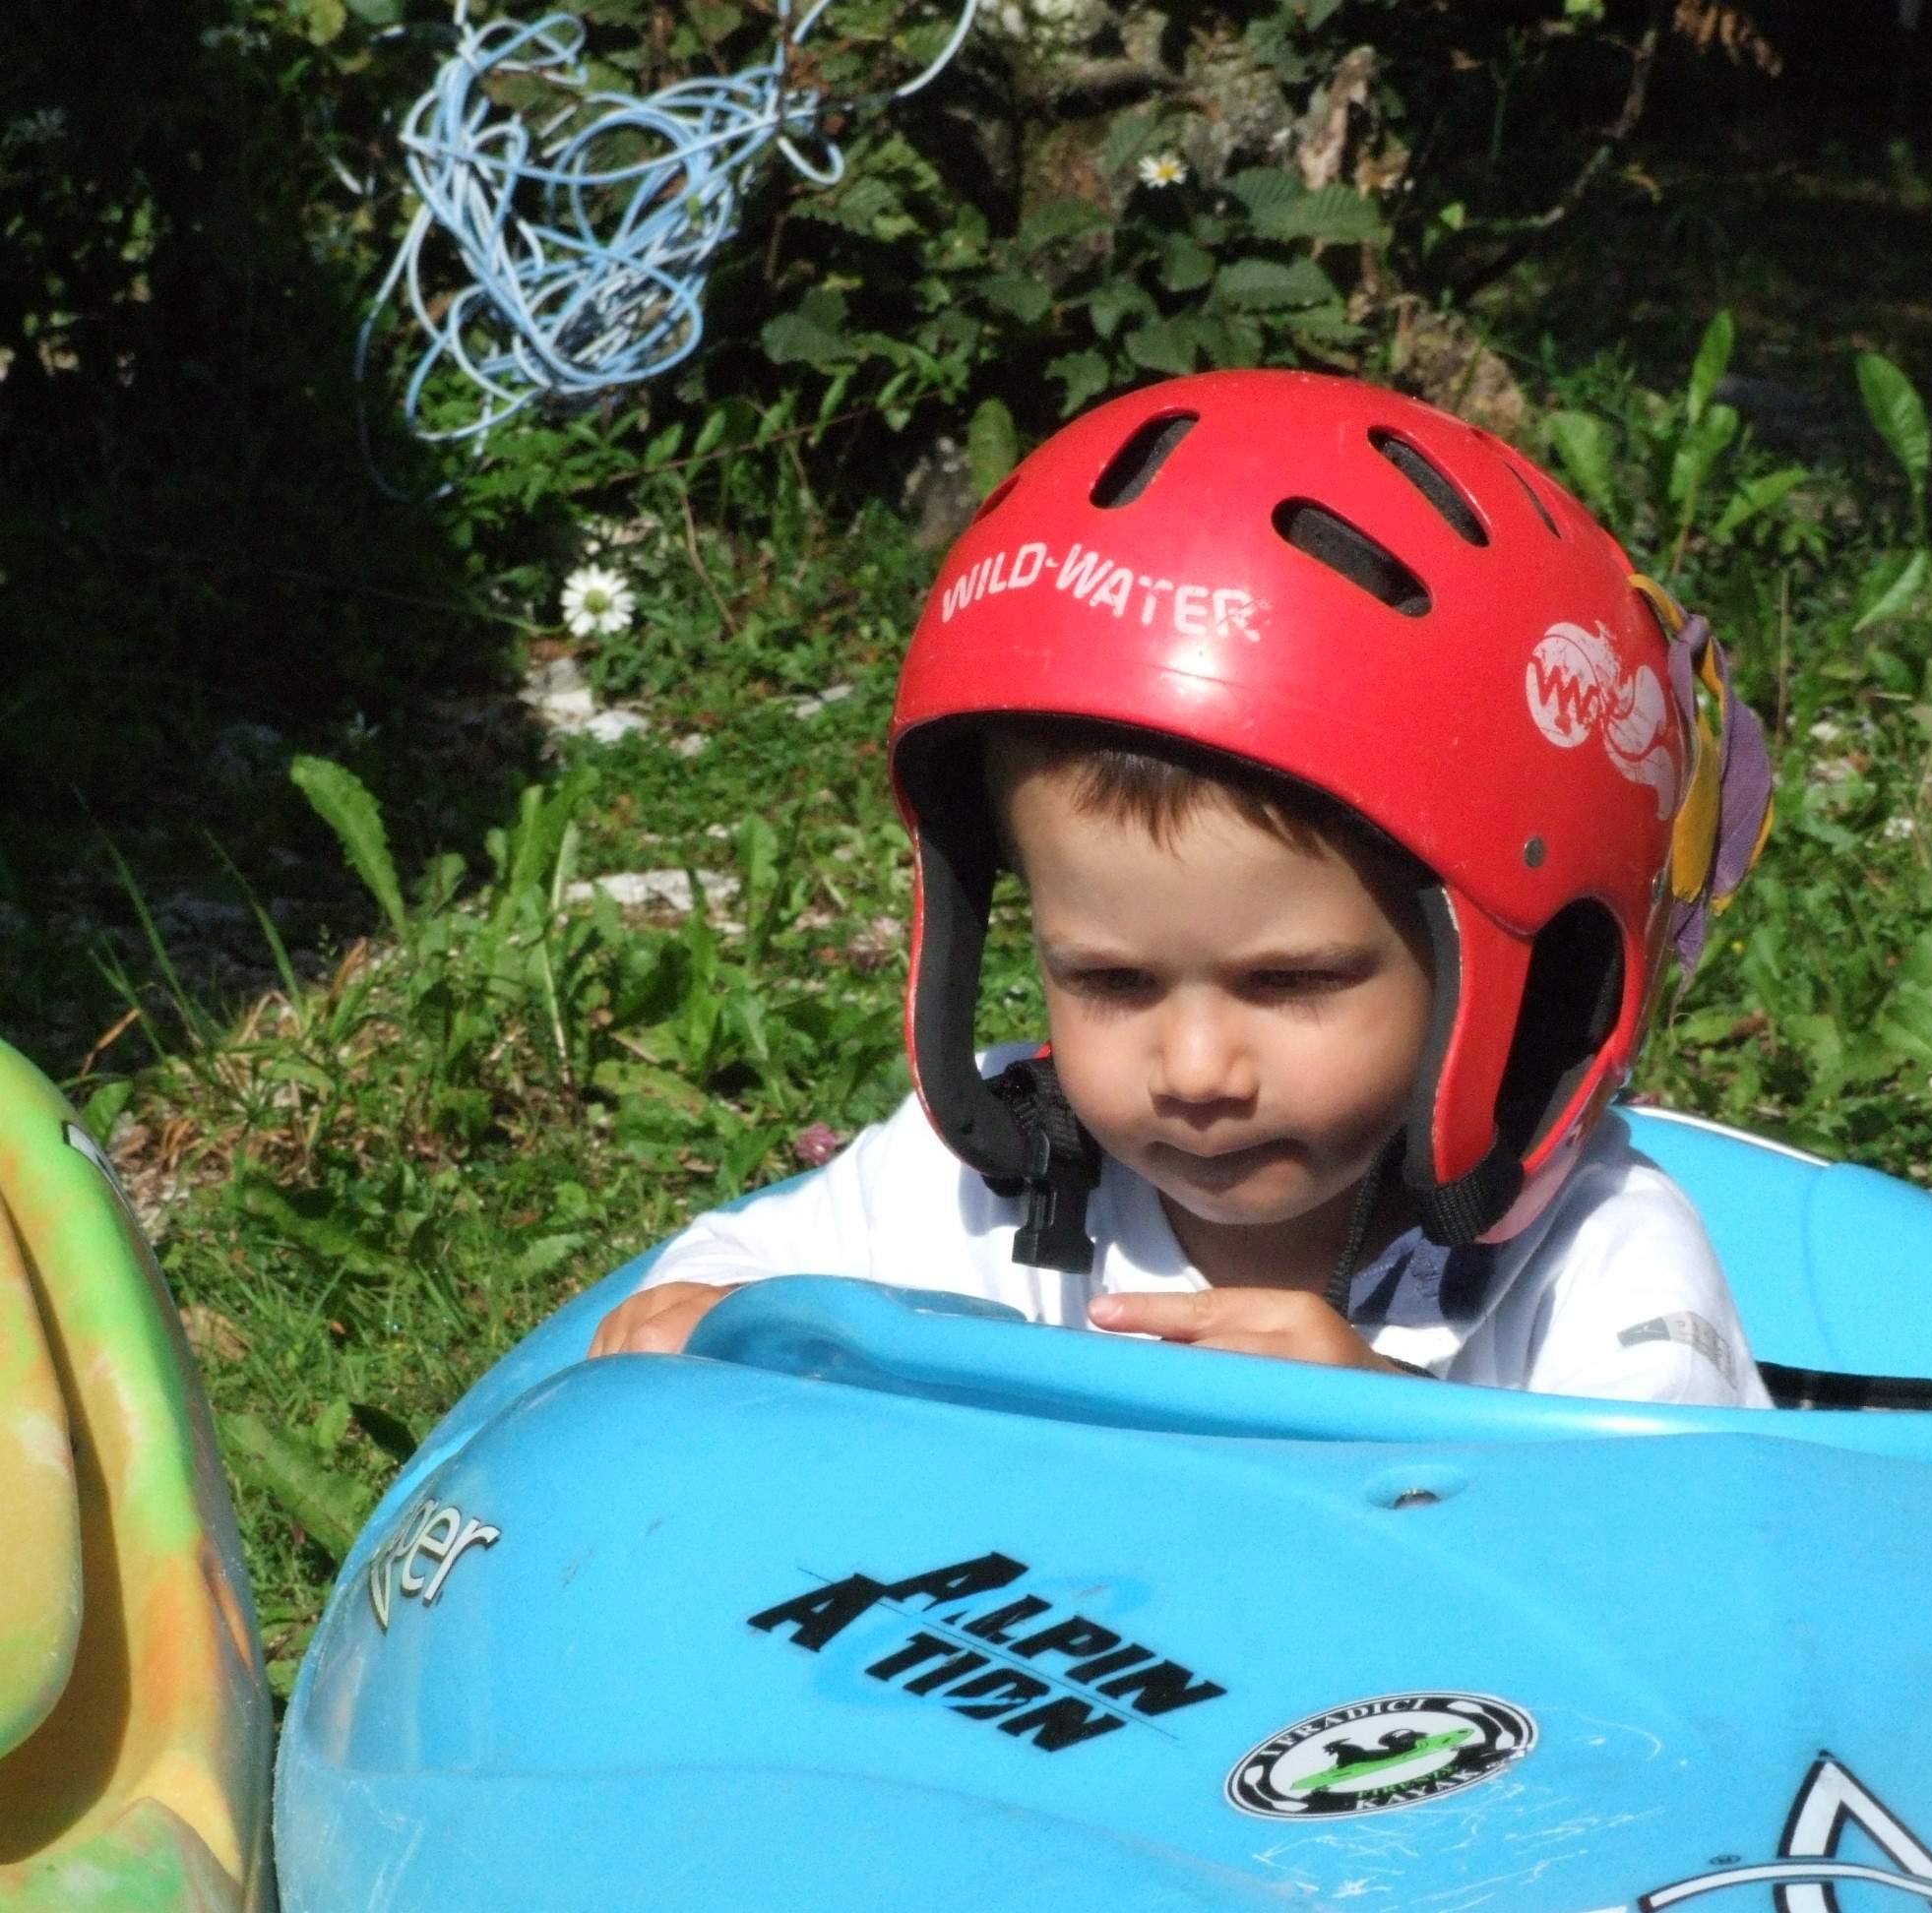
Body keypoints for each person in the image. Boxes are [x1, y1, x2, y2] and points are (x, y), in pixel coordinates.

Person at [588, 368, 1774, 1403]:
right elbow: (720, 1275)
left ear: (1533, 972)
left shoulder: (1602, 1264)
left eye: (1291, 982)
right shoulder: (988, 1181)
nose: (1196, 1071)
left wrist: (1382, 1422)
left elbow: (1684, 1546)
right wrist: (710, 1322)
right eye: (1110, 981)